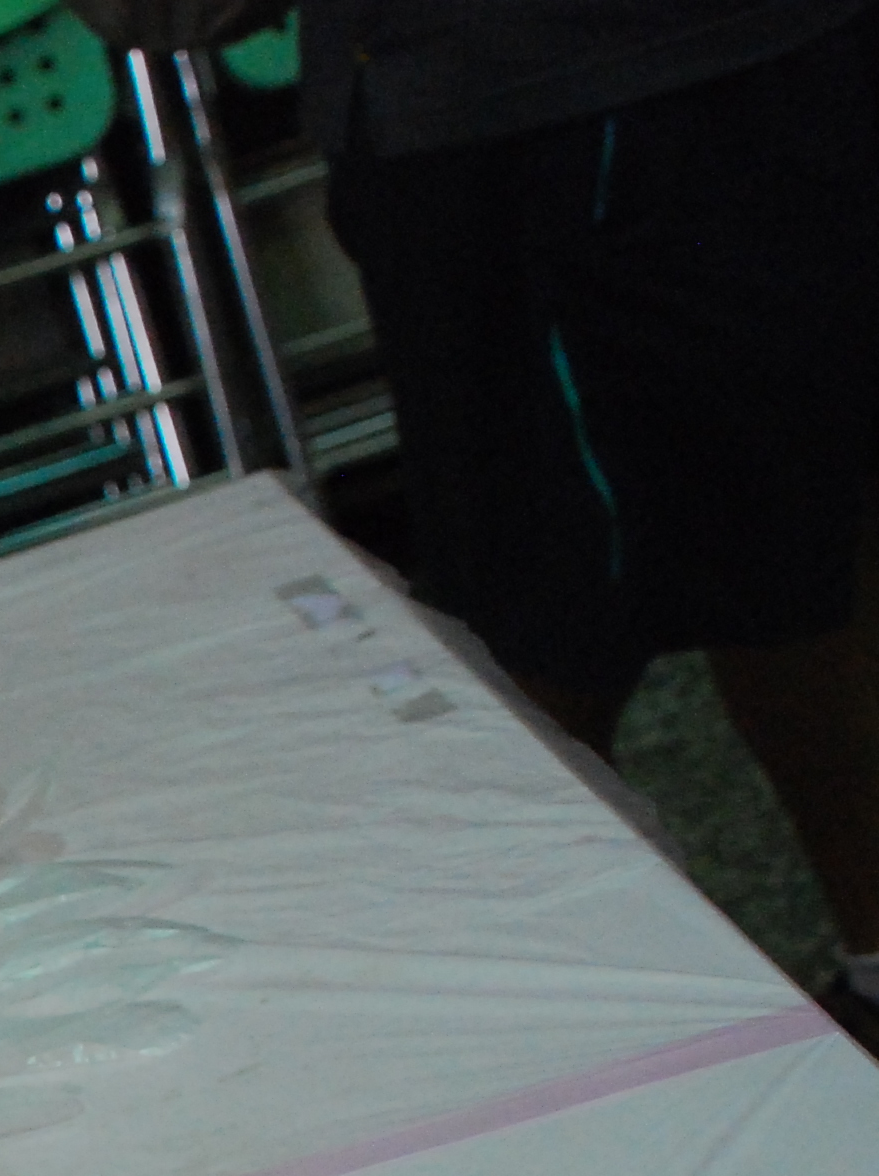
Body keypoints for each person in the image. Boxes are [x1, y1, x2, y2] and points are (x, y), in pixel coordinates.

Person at [292, 0, 879, 1043]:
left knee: (546, 623)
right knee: (783, 540)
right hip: (581, 84)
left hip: (555, 90)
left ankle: (569, 1053)